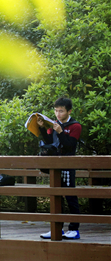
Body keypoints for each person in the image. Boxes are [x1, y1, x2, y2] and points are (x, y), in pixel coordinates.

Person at [37, 97, 82, 239]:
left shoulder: (75, 126)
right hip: (55, 166)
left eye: (61, 111)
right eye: (56, 111)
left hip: (67, 166)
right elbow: (50, 143)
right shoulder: (54, 124)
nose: (58, 114)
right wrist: (42, 128)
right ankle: (57, 228)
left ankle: (74, 229)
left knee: (70, 197)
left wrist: (61, 132)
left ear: (69, 111)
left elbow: (70, 145)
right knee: (56, 197)